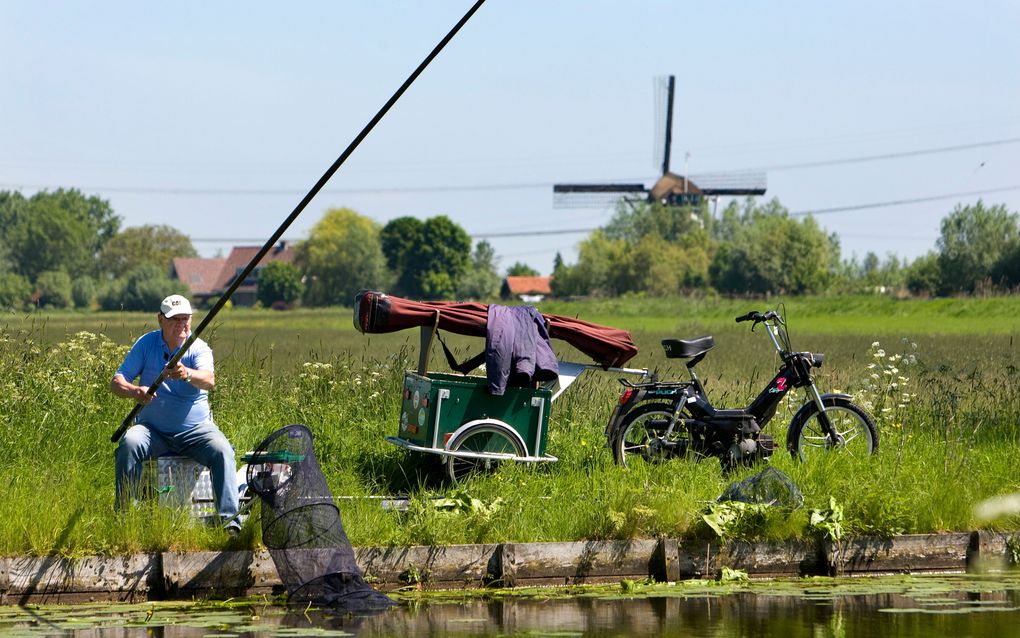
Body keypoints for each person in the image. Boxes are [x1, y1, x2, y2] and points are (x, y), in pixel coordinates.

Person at [110, 294, 240, 535]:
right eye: (174, 319)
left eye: (185, 319)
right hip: (152, 431)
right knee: (129, 443)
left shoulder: (199, 348)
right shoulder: (146, 344)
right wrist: (135, 391)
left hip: (196, 430)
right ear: (160, 320)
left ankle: (229, 522)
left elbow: (209, 380)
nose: (181, 324)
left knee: (222, 451)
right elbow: (116, 382)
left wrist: (185, 373)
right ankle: (125, 520)